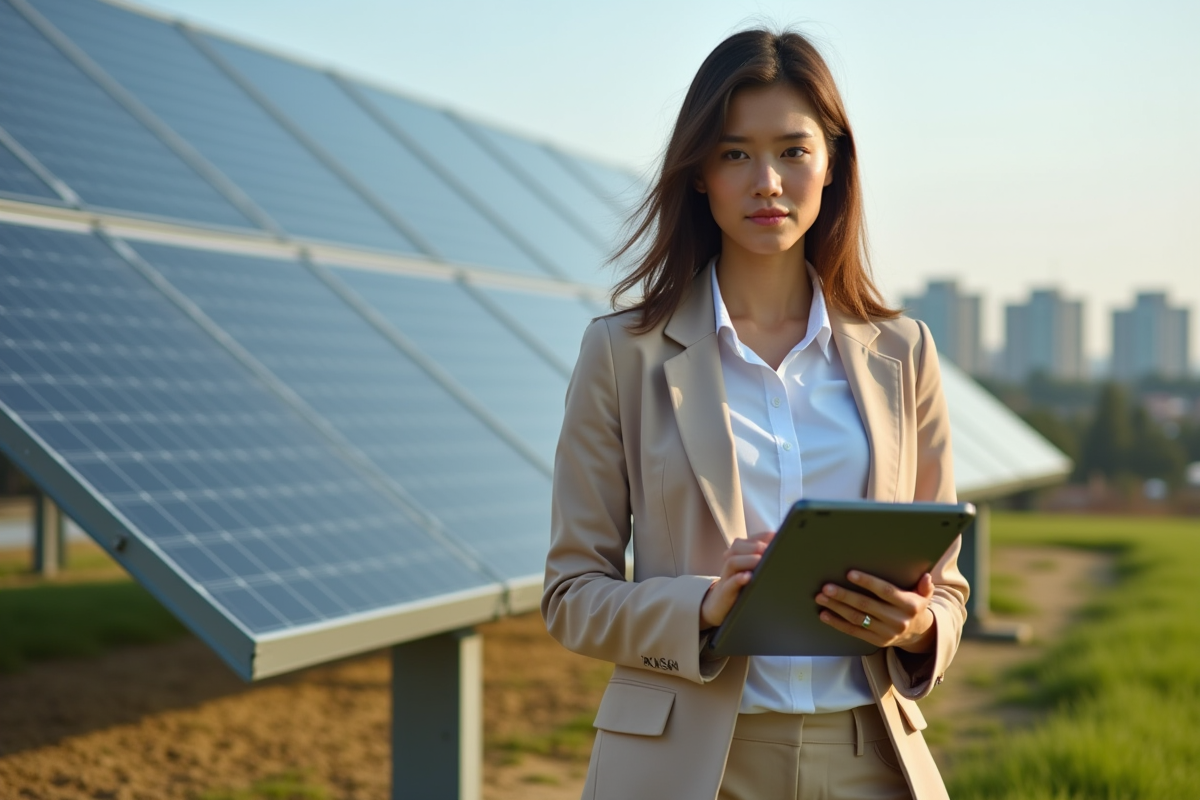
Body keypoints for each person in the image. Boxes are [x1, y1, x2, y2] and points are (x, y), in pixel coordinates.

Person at [542, 28, 968, 800]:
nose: (767, 180)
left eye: (793, 151)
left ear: (833, 162)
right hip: (689, 766)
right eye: (735, 153)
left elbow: (947, 588)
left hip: (868, 757)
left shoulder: (904, 354)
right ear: (700, 173)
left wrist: (915, 627)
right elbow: (571, 595)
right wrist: (699, 606)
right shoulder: (622, 355)